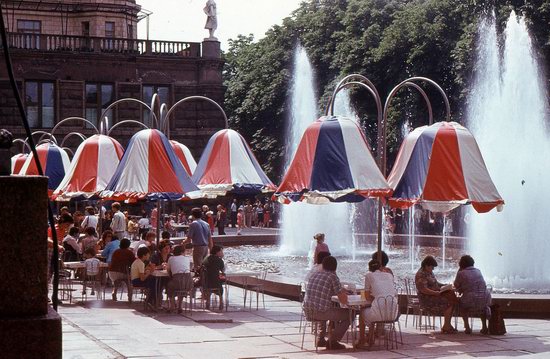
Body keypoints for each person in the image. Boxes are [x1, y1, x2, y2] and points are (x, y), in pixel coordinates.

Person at [303, 256, 350, 350]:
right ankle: (333, 341)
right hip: (320, 313)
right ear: (335, 267)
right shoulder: (332, 276)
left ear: (323, 265)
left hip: (308, 311)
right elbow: (343, 301)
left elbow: (323, 292)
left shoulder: (314, 274)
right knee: (349, 314)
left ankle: (320, 338)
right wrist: (344, 292)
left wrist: (338, 290)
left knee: (325, 305)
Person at [415, 255, 457, 333]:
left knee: (452, 297)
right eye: (432, 267)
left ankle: (447, 324)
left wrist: (445, 285)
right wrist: (436, 293)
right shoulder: (421, 274)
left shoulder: (429, 272)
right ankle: (446, 326)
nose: (433, 269)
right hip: (427, 299)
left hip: (434, 295)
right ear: (426, 265)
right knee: (448, 302)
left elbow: (436, 283)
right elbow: (423, 290)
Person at [362, 259, 398, 345]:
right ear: (381, 267)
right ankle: (371, 336)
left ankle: (362, 340)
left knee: (363, 311)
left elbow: (366, 296)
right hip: (393, 314)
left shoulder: (369, 275)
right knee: (376, 309)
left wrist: (376, 298)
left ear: (369, 269)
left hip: (378, 314)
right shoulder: (389, 275)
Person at [454, 255, 491, 334]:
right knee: (482, 308)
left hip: (470, 299)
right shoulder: (478, 271)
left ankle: (467, 327)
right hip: (484, 298)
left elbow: (456, 285)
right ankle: (484, 326)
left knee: (461, 305)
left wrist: (459, 271)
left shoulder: (461, 273)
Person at [166, 244, 193, 313]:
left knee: (168, 286)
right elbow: (189, 268)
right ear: (182, 252)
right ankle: (179, 306)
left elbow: (168, 270)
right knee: (182, 288)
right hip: (188, 283)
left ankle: (172, 305)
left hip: (177, 281)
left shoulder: (171, 258)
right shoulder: (187, 258)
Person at [202, 245, 225, 310]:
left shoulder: (206, 258)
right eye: (221, 251)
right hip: (216, 282)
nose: (222, 252)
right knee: (221, 282)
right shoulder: (219, 260)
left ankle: (208, 302)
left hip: (207, 282)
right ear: (217, 252)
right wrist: (222, 258)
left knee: (210, 285)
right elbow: (223, 270)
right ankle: (221, 302)